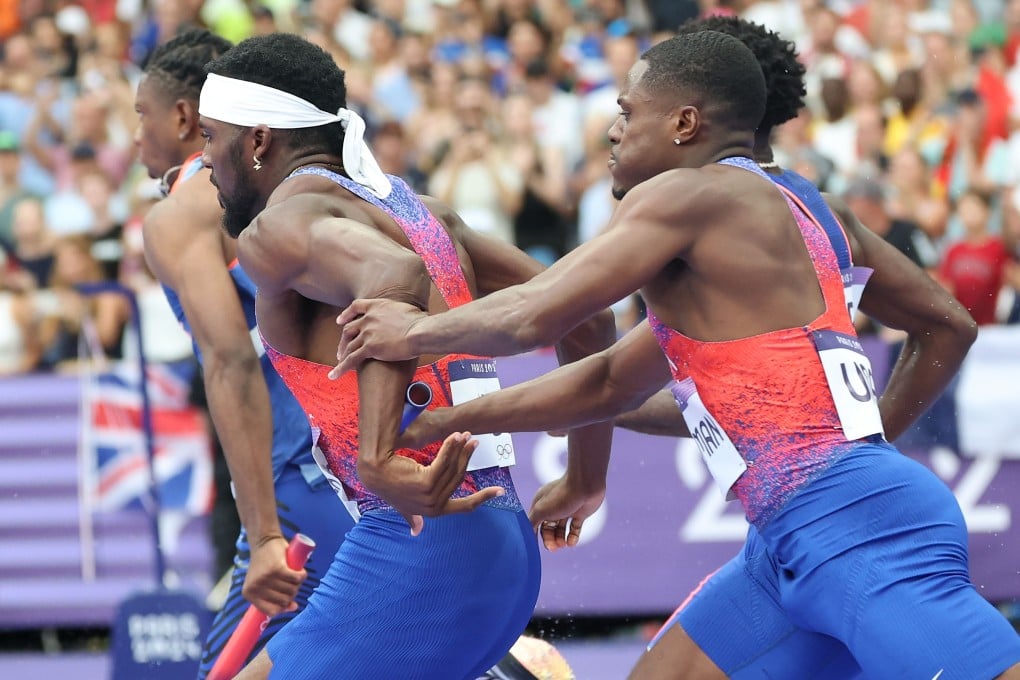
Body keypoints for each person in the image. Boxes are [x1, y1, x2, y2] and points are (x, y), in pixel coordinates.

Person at [335, 30, 1020, 680]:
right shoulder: (809, 211)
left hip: (853, 529)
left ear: (685, 123)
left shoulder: (686, 197)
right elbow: (608, 383)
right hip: (788, 545)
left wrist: (411, 332)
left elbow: (535, 313)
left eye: (627, 111)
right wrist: (440, 424)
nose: (612, 130)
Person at [195, 32, 615, 679]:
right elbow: (588, 316)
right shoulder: (424, 213)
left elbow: (392, 275)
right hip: (499, 545)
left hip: (420, 546)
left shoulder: (276, 229)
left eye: (209, 136)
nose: (203, 160)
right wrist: (585, 477)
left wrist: (378, 457)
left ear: (257, 141)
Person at [133, 29, 354, 677]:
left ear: (184, 118)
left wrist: (262, 536)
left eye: (141, 115)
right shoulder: (304, 187)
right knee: (382, 643)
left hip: (300, 473)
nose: (136, 135)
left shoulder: (181, 215)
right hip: (353, 450)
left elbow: (231, 363)